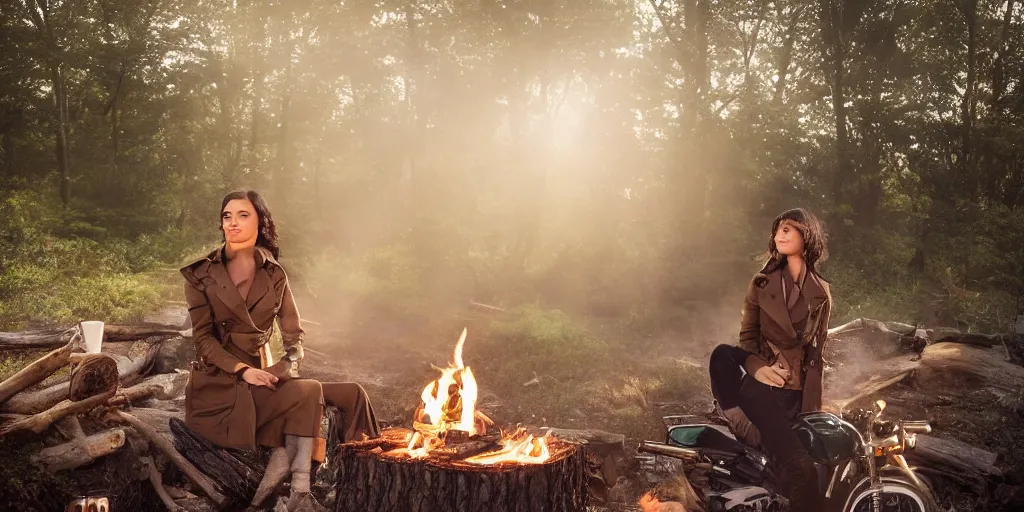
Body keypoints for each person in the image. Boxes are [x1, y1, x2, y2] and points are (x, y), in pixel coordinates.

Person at [180, 189, 381, 511]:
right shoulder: (200, 274)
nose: (233, 223)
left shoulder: (273, 272)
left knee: (353, 392)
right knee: (309, 391)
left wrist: (291, 360)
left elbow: (292, 329)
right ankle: (300, 491)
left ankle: (368, 481)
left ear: (260, 221)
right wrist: (245, 371)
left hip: (265, 376)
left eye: (243, 215)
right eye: (227, 216)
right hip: (221, 384)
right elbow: (203, 340)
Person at [707, 208, 832, 512]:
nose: (780, 234)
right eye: (778, 229)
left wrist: (813, 404)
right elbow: (747, 335)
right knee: (801, 469)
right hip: (763, 388)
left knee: (800, 470)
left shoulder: (823, 291)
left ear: (808, 235)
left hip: (799, 395)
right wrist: (757, 367)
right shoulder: (762, 283)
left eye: (789, 229)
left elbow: (818, 352)